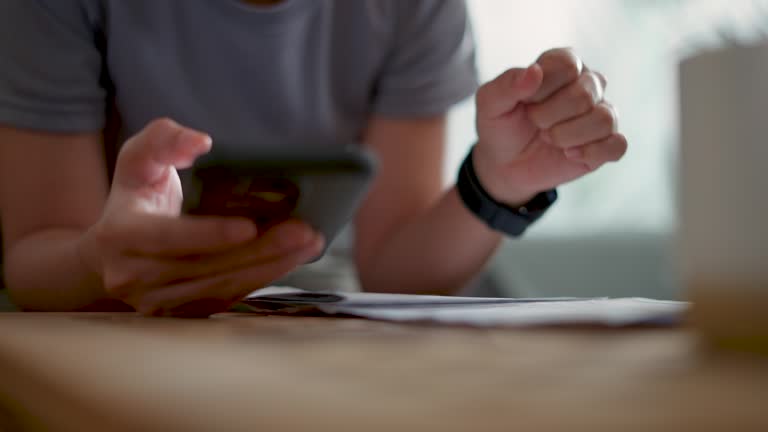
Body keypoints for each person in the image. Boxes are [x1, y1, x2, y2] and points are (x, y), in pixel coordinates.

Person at [0, 0, 626, 316]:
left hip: (316, 318)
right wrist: (97, 258)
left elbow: (395, 273)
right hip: (117, 321)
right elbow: (35, 255)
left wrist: (498, 183)